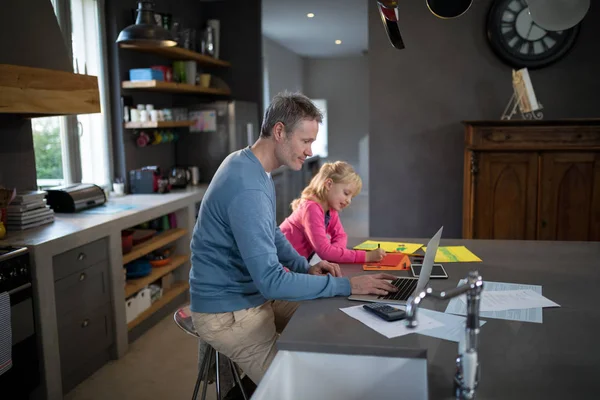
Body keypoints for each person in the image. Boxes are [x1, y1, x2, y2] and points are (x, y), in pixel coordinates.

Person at [189, 91, 397, 388]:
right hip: (228, 312)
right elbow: (272, 281)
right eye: (306, 141)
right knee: (300, 389)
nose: (310, 151)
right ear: (279, 132)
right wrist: (347, 283)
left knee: (333, 317)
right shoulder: (248, 186)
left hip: (251, 297)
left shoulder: (249, 165)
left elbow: (271, 232)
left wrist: (304, 266)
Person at [280, 161, 386, 265]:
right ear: (329, 184)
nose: (348, 200)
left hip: (294, 265)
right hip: (278, 266)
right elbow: (325, 252)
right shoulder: (311, 209)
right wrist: (366, 256)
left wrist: (335, 253)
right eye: (346, 193)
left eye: (351, 197)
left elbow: (340, 235)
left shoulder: (330, 210)